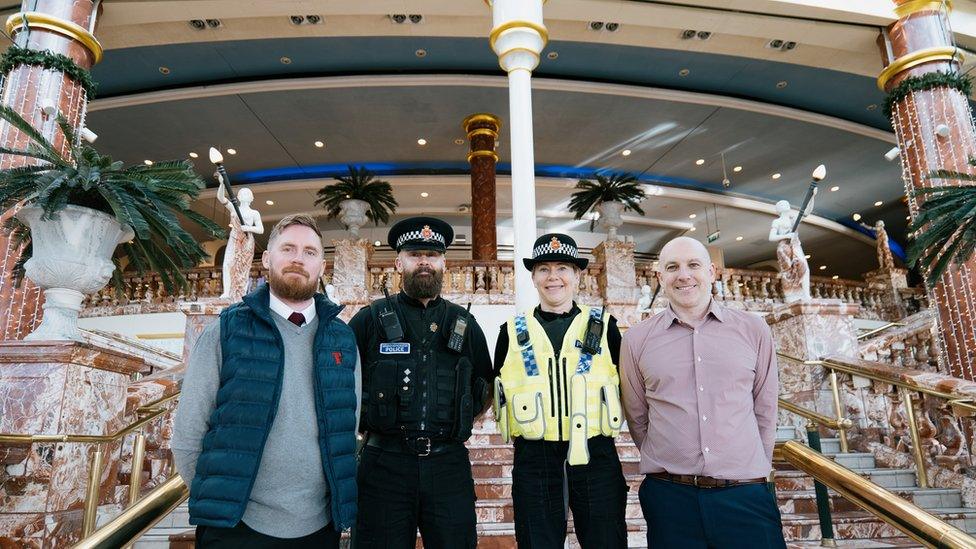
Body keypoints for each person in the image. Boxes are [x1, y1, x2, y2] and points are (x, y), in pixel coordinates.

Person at [172, 214, 361, 548]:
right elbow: (189, 436)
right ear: (266, 259)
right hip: (235, 528)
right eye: (288, 248)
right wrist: (222, 498)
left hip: (318, 531)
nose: (298, 258)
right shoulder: (226, 331)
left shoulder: (342, 340)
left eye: (309, 252)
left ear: (321, 265)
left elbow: (348, 426)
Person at [620, 236, 785, 549]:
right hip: (671, 498)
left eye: (693, 265)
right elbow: (637, 414)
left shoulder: (753, 330)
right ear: (659, 277)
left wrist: (755, 470)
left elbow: (765, 408)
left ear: (712, 271)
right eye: (672, 267)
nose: (684, 275)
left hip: (745, 495)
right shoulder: (637, 340)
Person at [349, 216, 493, 548]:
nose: (424, 262)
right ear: (399, 262)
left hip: (448, 466)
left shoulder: (464, 324)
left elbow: (483, 387)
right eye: (415, 254)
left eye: (432, 255)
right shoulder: (370, 319)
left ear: (444, 262)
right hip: (384, 465)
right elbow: (342, 381)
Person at [494, 233, 628, 548]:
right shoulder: (511, 331)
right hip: (535, 457)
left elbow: (630, 387)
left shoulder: (605, 327)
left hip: (595, 454)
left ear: (577, 274)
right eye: (544, 269)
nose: (553, 277)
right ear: (533, 277)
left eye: (563, 268)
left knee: (606, 540)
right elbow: (493, 388)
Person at [215, 177, 264, 301]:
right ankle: (227, 291)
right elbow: (221, 198)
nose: (244, 194)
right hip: (234, 238)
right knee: (228, 264)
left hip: (247, 241)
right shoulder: (234, 208)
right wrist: (221, 184)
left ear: (251, 198)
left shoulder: (254, 213)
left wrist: (247, 227)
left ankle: (241, 293)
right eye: (242, 193)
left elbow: (260, 229)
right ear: (238, 196)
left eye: (247, 193)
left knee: (244, 268)